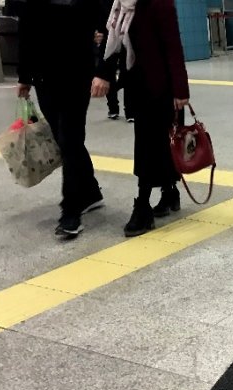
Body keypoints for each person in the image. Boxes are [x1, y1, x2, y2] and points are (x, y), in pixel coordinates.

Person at [18, 0, 113, 237]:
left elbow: (108, 28)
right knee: (65, 141)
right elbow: (27, 31)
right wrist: (24, 77)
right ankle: (90, 192)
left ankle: (71, 210)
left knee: (70, 139)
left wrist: (103, 72)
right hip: (44, 78)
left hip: (77, 75)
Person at [103, 0, 190, 237]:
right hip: (138, 87)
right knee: (156, 146)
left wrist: (180, 91)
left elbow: (173, 47)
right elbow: (117, 47)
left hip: (162, 90)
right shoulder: (121, 6)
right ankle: (170, 192)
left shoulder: (159, 4)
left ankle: (142, 205)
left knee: (150, 148)